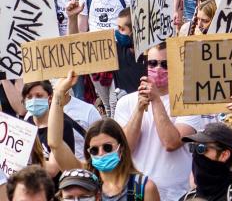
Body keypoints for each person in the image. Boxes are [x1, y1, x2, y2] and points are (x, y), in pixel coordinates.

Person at [48, 73, 160, 201]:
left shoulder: (142, 188)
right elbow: (55, 144)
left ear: (121, 148)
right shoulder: (85, 178)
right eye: (94, 150)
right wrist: (58, 94)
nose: (101, 153)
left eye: (107, 147)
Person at [114, 43, 204, 201]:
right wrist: (139, 109)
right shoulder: (125, 102)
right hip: (136, 191)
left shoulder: (189, 102)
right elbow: (124, 149)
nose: (158, 68)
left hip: (176, 194)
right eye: (152, 63)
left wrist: (156, 100)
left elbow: (171, 142)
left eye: (165, 64)